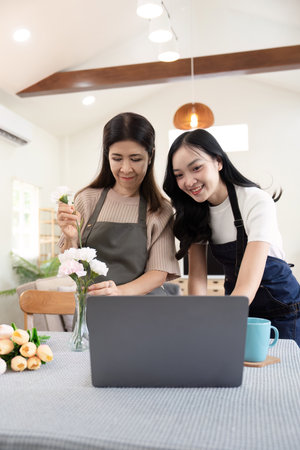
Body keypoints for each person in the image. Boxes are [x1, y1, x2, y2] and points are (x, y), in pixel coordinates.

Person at [163, 128, 300, 345]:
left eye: (196, 168)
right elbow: (197, 277)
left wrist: (221, 321)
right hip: (237, 305)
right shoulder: (196, 212)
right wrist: (196, 318)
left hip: (280, 309)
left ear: (218, 162)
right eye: (179, 175)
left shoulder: (255, 201)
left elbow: (248, 281)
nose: (188, 181)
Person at [57, 112, 180, 296]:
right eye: (117, 158)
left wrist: (118, 293)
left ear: (151, 155)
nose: (125, 168)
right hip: (92, 307)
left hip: (142, 309)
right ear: (107, 155)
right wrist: (70, 238)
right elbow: (70, 266)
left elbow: (158, 273)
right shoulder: (87, 199)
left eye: (135, 159)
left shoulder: (160, 209)